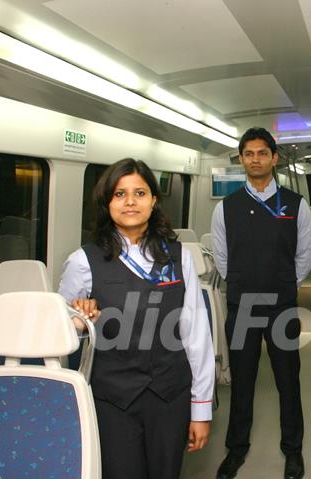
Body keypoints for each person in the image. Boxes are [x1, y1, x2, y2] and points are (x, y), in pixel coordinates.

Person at [58, 158, 215, 479]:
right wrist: (79, 322)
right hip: (113, 399)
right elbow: (61, 333)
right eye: (119, 194)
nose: (130, 202)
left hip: (169, 395)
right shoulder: (82, 262)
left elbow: (196, 335)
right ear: (107, 203)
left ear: (154, 200)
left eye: (140, 193)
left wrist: (200, 410)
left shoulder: (179, 256)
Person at [211, 127, 311, 479]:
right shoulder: (226, 208)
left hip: (283, 306)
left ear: (274, 158)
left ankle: (293, 451)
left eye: (261, 153)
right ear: (241, 160)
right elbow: (223, 259)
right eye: (248, 153)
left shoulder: (295, 205)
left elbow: (303, 255)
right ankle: (236, 449)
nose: (255, 159)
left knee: (289, 380)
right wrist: (244, 284)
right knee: (242, 380)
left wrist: (285, 285)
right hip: (242, 306)